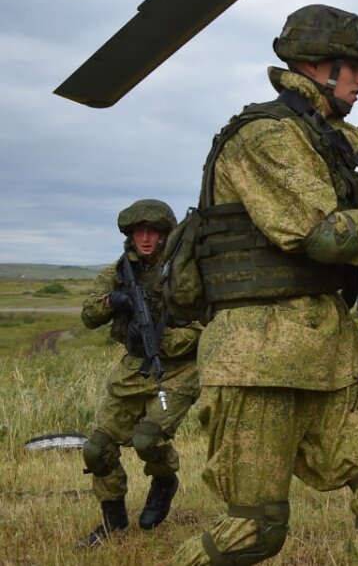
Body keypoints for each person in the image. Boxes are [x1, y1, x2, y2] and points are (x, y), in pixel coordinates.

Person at [170, 4, 358, 566]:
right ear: (313, 67)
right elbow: (324, 237)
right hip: (258, 360)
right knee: (255, 531)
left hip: (324, 356)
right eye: (352, 66)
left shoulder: (321, 133)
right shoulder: (266, 138)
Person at [78, 199, 202, 547]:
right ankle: (113, 524)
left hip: (179, 370)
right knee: (96, 448)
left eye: (153, 232)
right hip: (134, 367)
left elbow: (210, 327)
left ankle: (164, 481)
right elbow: (88, 316)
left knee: (147, 440)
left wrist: (166, 337)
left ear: (165, 235)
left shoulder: (186, 271)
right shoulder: (119, 271)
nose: (145, 239)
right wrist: (113, 302)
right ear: (130, 236)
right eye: (138, 232)